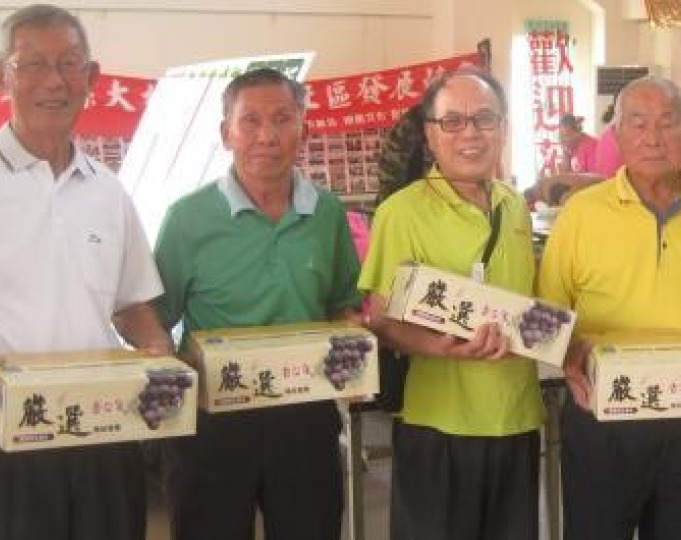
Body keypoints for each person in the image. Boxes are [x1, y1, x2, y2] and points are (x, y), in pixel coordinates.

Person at [538, 75, 681, 540]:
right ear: (617, 134)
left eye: (667, 122)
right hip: (603, 413)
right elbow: (547, 312)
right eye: (638, 123)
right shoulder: (582, 213)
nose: (653, 137)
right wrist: (568, 356)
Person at [153, 68, 361, 540]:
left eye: (282, 119)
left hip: (305, 414)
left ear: (303, 128)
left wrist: (353, 356)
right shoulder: (187, 218)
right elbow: (157, 318)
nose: (267, 136)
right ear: (226, 133)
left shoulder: (327, 212)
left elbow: (342, 305)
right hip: (213, 421)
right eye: (250, 121)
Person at [0, 4, 171, 540]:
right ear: (5, 75)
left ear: (91, 77)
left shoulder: (107, 190)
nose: (54, 81)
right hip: (10, 437)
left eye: (69, 64)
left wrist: (156, 348)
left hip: (102, 428)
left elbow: (130, 303)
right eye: (33, 64)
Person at [358, 66, 544, 540]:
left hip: (516, 415)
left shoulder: (514, 206)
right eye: (453, 121)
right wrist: (438, 346)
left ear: (503, 128)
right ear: (429, 134)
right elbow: (381, 319)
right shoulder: (402, 211)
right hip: (438, 424)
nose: (471, 134)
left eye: (485, 119)